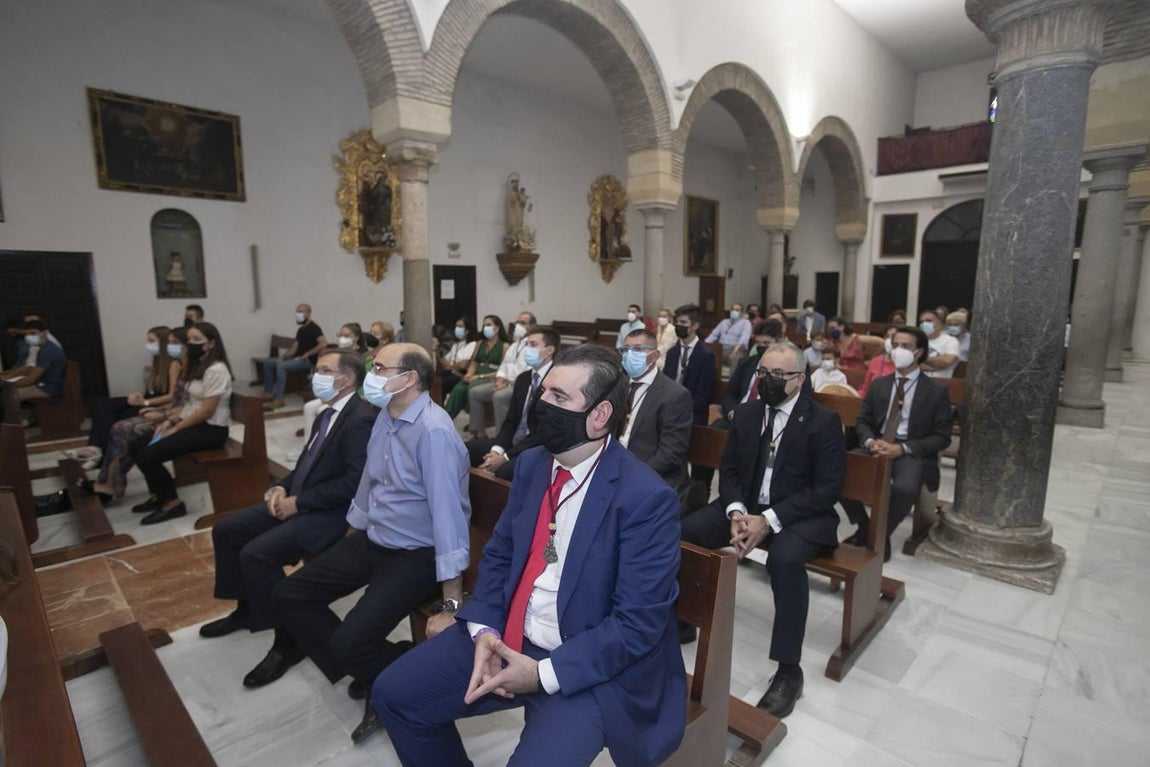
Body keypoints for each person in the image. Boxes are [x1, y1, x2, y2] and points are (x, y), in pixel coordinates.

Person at [373, 344, 686, 767]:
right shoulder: (533, 464)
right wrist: (483, 629)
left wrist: (539, 675)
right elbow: (501, 554)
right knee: (394, 694)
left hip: (586, 663)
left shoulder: (646, 498)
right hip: (507, 632)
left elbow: (636, 624)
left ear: (599, 416)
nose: (542, 405)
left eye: (559, 398)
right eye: (544, 392)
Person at [244, 343, 471, 747]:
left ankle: (379, 668)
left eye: (380, 367)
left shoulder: (434, 432)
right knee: (291, 594)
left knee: (349, 645)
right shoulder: (386, 416)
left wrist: (451, 603)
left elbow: (449, 516)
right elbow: (369, 484)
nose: (372, 373)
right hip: (373, 540)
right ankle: (382, 668)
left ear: (410, 378)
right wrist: (349, 540)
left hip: (415, 555)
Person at [680, 342, 844, 719]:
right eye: (763, 373)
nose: (767, 381)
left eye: (777, 375)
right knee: (684, 532)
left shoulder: (822, 421)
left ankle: (789, 671)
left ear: (800, 379)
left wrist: (767, 520)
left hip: (799, 515)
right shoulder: (750, 413)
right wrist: (737, 511)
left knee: (784, 560)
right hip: (745, 507)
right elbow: (731, 470)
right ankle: (685, 619)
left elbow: (826, 490)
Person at [200, 349, 376, 640]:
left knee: (256, 554)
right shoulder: (326, 413)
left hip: (330, 513)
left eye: (323, 370)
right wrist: (282, 486)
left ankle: (287, 637)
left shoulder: (360, 418)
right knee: (226, 530)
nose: (314, 376)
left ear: (346, 380)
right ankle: (246, 608)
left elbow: (354, 483)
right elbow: (307, 463)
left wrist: (299, 502)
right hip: (300, 500)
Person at [839, 327, 951, 557]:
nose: (898, 350)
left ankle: (881, 534)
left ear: (919, 352)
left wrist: (902, 448)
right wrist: (870, 441)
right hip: (876, 444)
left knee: (904, 487)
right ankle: (865, 526)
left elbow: (942, 437)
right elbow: (863, 421)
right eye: (895, 344)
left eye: (906, 346)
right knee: (836, 472)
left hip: (910, 449)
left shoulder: (935, 391)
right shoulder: (880, 384)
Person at [128, 322, 232, 525]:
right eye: (190, 339)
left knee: (149, 455)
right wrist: (169, 420)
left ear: (210, 344)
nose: (190, 343)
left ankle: (172, 504)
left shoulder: (217, 369)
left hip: (211, 430)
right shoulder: (198, 366)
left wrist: (176, 428)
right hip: (193, 424)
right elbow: (191, 404)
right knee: (136, 445)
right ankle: (160, 495)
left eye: (196, 340)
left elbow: (206, 411)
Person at [84, 329, 187, 502]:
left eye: (175, 343)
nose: (170, 346)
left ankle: (110, 482)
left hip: (175, 416)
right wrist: (141, 397)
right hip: (167, 412)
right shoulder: (167, 364)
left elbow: (182, 402)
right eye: (169, 342)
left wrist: (162, 414)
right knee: (118, 424)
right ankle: (107, 480)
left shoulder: (179, 365)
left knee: (127, 430)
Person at [468, 327, 557, 480]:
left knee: (503, 470)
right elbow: (511, 421)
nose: (527, 349)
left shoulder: (556, 381)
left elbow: (544, 430)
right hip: (514, 441)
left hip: (539, 446)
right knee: (466, 449)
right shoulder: (523, 379)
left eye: (533, 345)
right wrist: (497, 450)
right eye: (527, 344)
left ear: (549, 350)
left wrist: (506, 457)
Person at [618, 329, 692, 487]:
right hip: (616, 467)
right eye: (625, 349)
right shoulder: (618, 386)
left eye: (637, 349)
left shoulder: (674, 395)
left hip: (651, 474)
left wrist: (634, 476)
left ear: (655, 355)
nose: (630, 355)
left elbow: (670, 453)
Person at [663, 304, 717, 486]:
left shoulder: (706, 355)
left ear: (694, 326)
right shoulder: (672, 353)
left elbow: (703, 396)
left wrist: (679, 412)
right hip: (670, 412)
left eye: (683, 322)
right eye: (677, 322)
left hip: (693, 414)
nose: (679, 326)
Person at [468, 311, 536, 436]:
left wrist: (506, 383)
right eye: (517, 322)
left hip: (519, 385)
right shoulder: (515, 344)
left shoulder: (534, 347)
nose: (518, 326)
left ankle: (502, 436)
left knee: (498, 397)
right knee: (475, 392)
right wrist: (500, 379)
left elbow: (528, 372)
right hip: (504, 382)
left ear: (532, 326)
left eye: (523, 323)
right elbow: (504, 365)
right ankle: (480, 434)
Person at [716, 319, 784, 428]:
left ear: (778, 342)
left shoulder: (789, 367)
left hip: (766, 422)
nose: (761, 346)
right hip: (737, 417)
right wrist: (732, 413)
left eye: (766, 343)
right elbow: (729, 395)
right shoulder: (746, 363)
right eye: (758, 343)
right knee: (709, 435)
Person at [261, 303, 327, 410]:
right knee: (269, 363)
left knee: (281, 367)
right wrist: (283, 356)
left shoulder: (314, 328)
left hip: (308, 361)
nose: (298, 314)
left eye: (301, 312)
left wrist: (308, 354)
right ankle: (268, 393)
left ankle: (279, 399)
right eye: (297, 312)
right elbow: (294, 347)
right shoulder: (301, 330)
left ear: (308, 314)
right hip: (297, 358)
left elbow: (323, 344)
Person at [446, 314, 506, 427]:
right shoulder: (480, 343)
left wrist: (478, 377)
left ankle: (477, 427)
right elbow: (474, 363)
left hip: (491, 377)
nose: (485, 328)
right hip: (476, 374)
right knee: (459, 388)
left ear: (497, 328)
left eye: (488, 325)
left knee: (472, 387)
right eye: (484, 325)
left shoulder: (504, 346)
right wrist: (469, 374)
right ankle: (446, 418)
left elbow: (503, 369)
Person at [2, 319, 66, 403]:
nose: (29, 337)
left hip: (48, 389)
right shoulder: (44, 348)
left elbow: (31, 379)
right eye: (27, 334)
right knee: (8, 392)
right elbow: (31, 369)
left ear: (45, 333)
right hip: (42, 384)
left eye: (33, 333)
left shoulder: (49, 351)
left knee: (10, 395)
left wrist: (6, 385)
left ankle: (12, 416)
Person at [438, 316, 477, 398]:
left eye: (460, 326)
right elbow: (444, 363)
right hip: (451, 373)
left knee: (441, 383)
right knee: (434, 381)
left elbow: (464, 365)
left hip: (461, 375)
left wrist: (450, 366)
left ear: (467, 330)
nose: (456, 329)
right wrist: (437, 350)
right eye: (456, 326)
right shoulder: (456, 345)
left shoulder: (472, 344)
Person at [918, 310, 960, 378]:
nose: (924, 324)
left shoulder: (951, 341)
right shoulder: (917, 340)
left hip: (942, 382)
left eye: (928, 321)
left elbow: (946, 361)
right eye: (921, 322)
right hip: (918, 382)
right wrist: (935, 364)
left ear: (939, 323)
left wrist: (919, 358)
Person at [860, 327, 899, 397]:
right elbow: (866, 388)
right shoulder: (875, 361)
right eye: (887, 336)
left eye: (893, 336)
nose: (889, 340)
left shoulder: (907, 364)